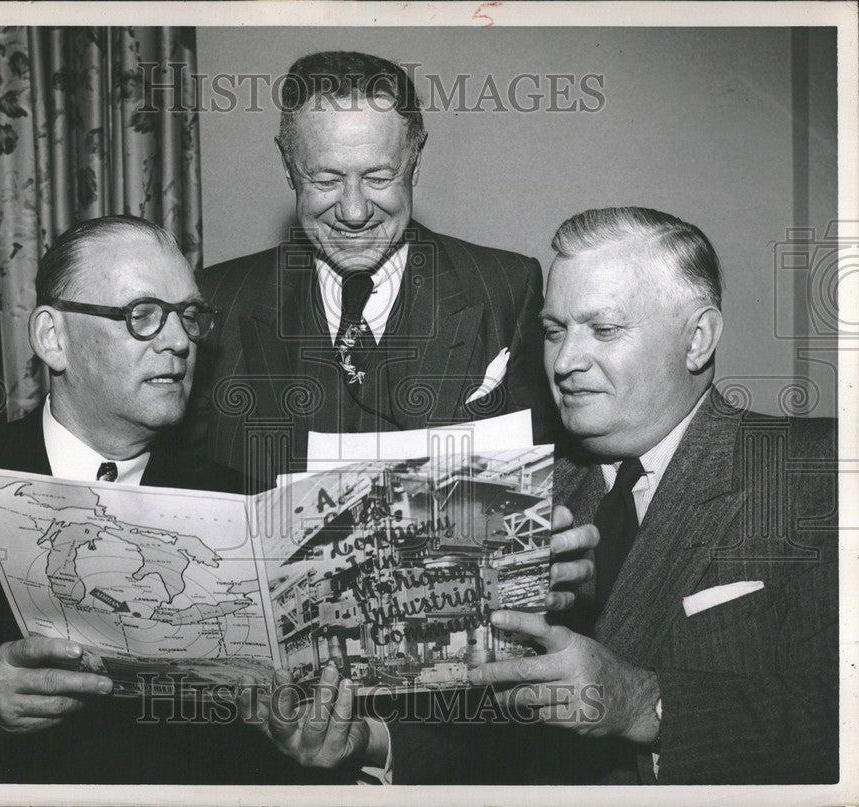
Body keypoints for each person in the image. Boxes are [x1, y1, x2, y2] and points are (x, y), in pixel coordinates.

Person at [242, 207, 838, 785]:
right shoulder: (521, 490)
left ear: (698, 338)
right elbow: (498, 724)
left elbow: (840, 717)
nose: (567, 361)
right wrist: (367, 737)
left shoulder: (815, 470)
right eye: (555, 331)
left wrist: (645, 706)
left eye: (604, 329)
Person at [0, 215, 290, 783]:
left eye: (190, 316)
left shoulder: (243, 506)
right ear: (53, 338)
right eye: (142, 315)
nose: (179, 341)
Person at [193, 51, 557, 492]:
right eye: (326, 180)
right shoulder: (217, 299)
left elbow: (545, 480)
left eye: (379, 177)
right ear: (288, 167)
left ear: (416, 160)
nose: (353, 211)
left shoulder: (508, 288)